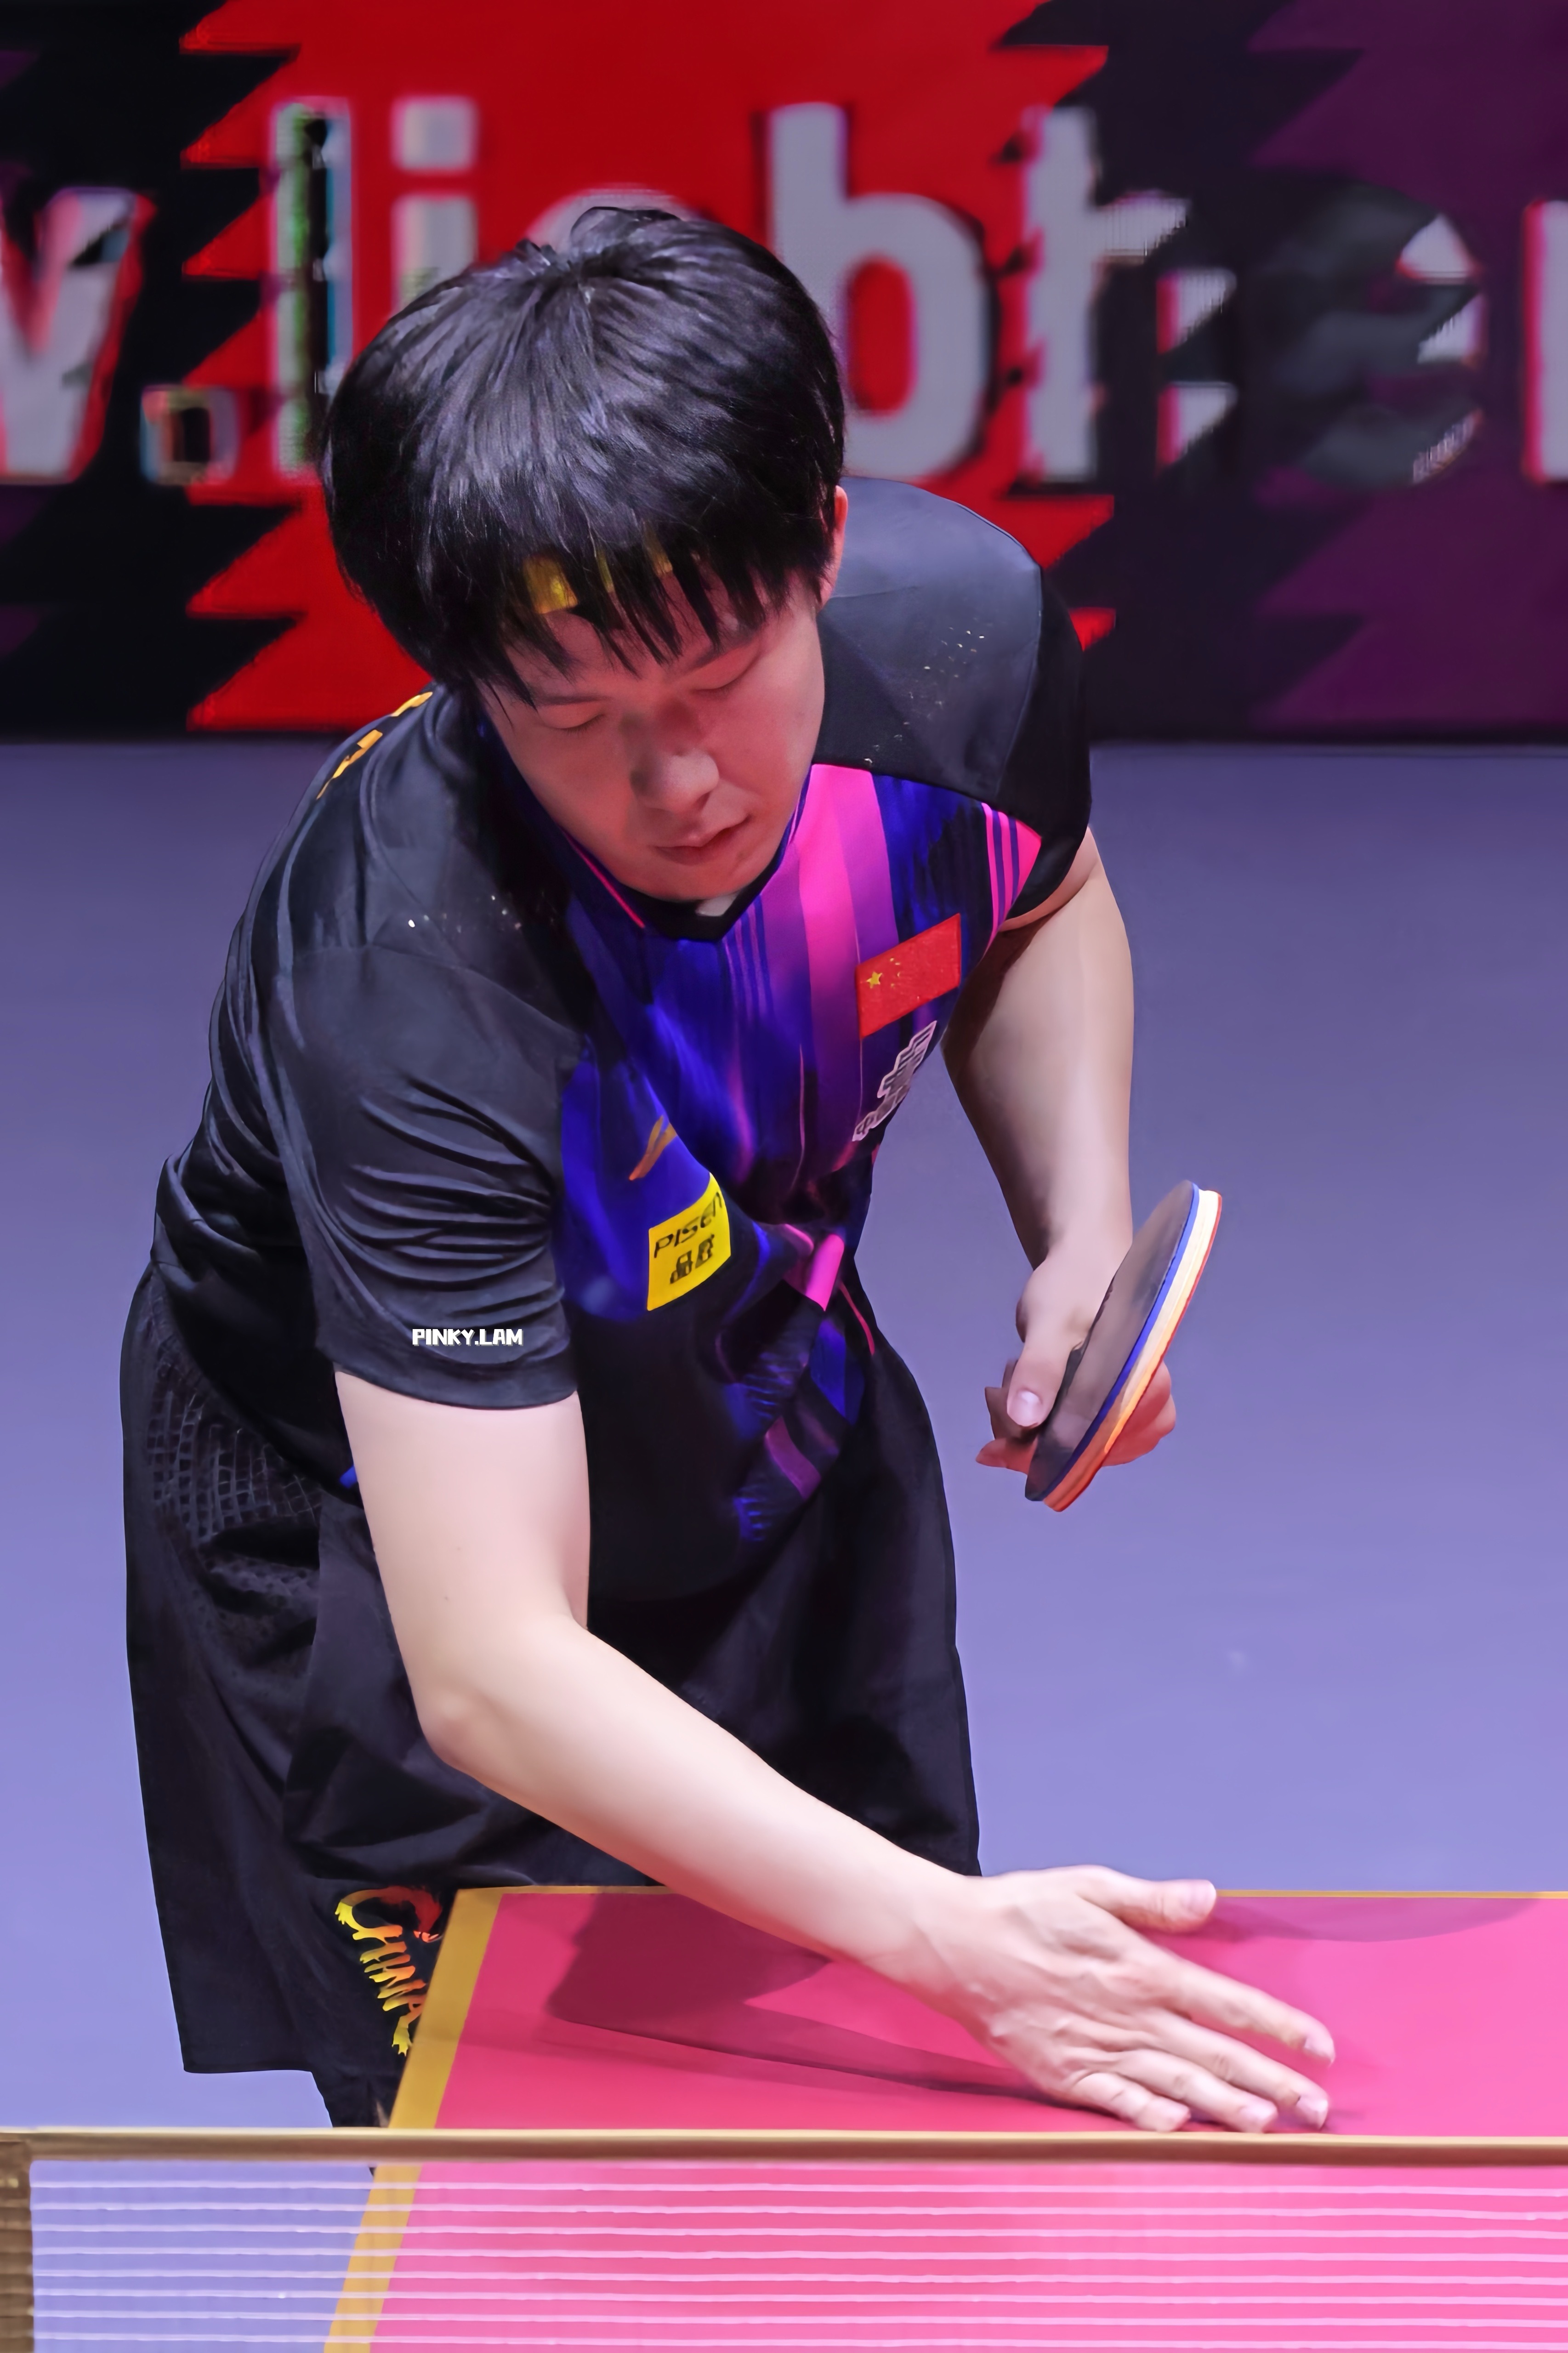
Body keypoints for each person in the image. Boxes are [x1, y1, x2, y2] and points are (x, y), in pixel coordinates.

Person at [124, 210, 1332, 2132]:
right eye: (578, 717)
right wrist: (958, 1943)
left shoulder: (959, 640)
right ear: (463, 677)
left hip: (756, 1379)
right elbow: (492, 1664)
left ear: (822, 550)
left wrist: (1075, 1226)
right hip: (385, 1522)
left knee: (866, 2105)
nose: (679, 780)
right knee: (523, 2174)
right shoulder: (406, 985)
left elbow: (1038, 896)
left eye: (719, 673)